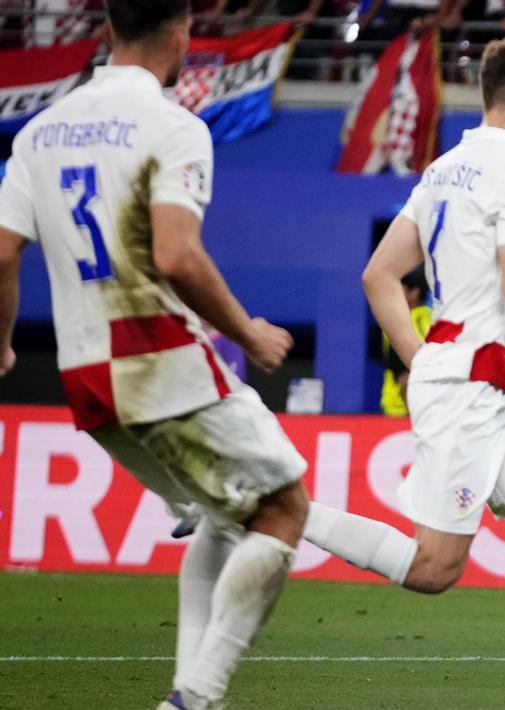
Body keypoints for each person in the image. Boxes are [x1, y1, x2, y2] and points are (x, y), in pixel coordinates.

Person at [0, 1, 309, 708]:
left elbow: (1, 254)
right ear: (183, 33)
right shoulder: (175, 127)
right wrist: (250, 332)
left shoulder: (39, 134)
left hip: (87, 381)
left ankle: (191, 692)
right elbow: (175, 253)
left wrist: (2, 344)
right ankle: (193, 698)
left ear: (108, 32)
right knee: (284, 508)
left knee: (224, 515)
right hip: (159, 359)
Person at [301, 35, 505, 710]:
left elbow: (379, 275)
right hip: (468, 385)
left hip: (481, 383)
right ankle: (284, 512)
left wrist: (421, 357)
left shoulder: (443, 169)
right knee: (434, 569)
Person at [380, 264, 432, 417]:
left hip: (402, 412)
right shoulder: (435, 320)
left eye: (400, 288)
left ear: (414, 293)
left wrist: (413, 417)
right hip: (432, 409)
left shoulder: (399, 323)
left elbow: (404, 379)